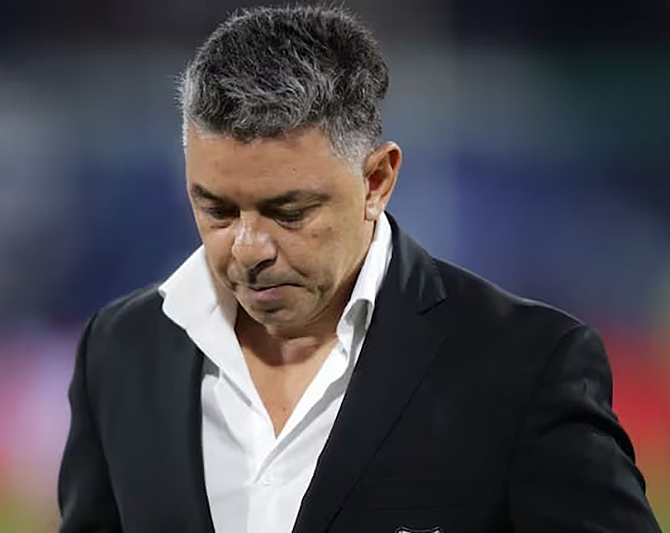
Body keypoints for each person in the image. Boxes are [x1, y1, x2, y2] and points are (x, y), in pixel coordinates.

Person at [57, 6, 660, 533]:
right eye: (216, 209)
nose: (247, 247)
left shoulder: (526, 366)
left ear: (376, 181)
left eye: (289, 212)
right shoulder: (120, 351)